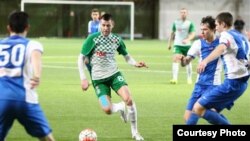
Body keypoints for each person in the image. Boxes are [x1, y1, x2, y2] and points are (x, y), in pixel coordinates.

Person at [77, 13, 146, 141]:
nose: (105, 28)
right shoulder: (92, 39)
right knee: (107, 109)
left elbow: (126, 56)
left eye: (108, 25)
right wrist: (83, 78)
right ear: (100, 25)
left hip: (114, 75)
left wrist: (135, 63)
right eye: (103, 25)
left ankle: (135, 133)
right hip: (98, 81)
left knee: (129, 99)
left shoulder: (117, 39)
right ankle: (119, 107)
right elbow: (80, 58)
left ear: (112, 25)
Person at [0, 11, 55, 141]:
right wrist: (37, 75)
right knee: (46, 137)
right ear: (27, 27)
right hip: (24, 99)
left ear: (8, 28)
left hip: (1, 99)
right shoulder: (32, 44)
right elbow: (36, 58)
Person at [186, 12, 249, 125]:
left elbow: (221, 48)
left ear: (223, 24)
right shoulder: (240, 36)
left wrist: (205, 61)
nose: (216, 26)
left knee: (197, 108)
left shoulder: (225, 35)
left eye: (216, 24)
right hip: (242, 82)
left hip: (232, 83)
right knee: (212, 111)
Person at [181, 16, 221, 122]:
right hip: (199, 85)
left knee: (206, 113)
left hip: (213, 86)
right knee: (187, 118)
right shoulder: (198, 43)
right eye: (201, 30)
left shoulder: (221, 44)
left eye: (205, 30)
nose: (202, 32)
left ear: (213, 29)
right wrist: (183, 59)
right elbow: (186, 61)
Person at [167, 8, 196, 84]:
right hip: (177, 45)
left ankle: (189, 79)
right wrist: (169, 44)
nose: (183, 14)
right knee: (175, 59)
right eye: (182, 12)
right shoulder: (176, 22)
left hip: (187, 46)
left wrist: (188, 39)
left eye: (184, 12)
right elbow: (172, 33)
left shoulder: (190, 23)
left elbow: (193, 34)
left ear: (187, 14)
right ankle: (174, 79)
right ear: (180, 14)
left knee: (187, 61)